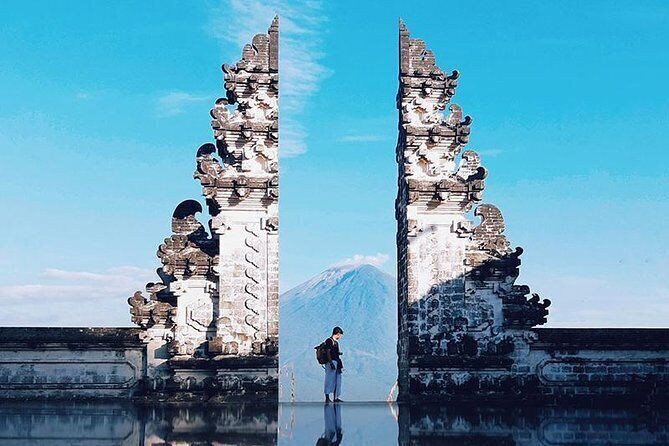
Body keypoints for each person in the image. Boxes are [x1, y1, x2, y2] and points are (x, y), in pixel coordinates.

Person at [324, 326, 344, 403]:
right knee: (329, 379)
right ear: (338, 334)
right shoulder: (329, 341)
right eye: (340, 335)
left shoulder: (336, 342)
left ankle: (336, 397)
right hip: (331, 362)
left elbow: (334, 352)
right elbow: (328, 352)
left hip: (337, 362)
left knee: (337, 380)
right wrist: (331, 363)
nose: (340, 337)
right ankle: (327, 397)